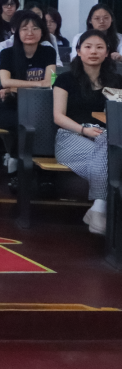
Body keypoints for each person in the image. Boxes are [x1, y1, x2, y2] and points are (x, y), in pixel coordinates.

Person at [53, 30, 120, 236]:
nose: (93, 52)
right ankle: (100, 209)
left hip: (106, 138)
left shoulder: (117, 81)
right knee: (115, 163)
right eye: (88, 47)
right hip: (71, 136)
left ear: (107, 53)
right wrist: (84, 130)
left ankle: (98, 208)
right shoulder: (65, 79)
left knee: (108, 145)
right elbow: (58, 116)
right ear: (79, 51)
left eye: (99, 47)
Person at [0, 13, 56, 137]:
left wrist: (15, 88)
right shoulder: (6, 53)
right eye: (24, 29)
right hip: (10, 104)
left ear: (42, 31)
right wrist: (39, 84)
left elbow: (50, 81)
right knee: (19, 121)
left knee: (39, 120)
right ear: (17, 32)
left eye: (35, 28)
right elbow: (5, 82)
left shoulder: (49, 52)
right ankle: (13, 150)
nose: (30, 32)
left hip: (39, 104)